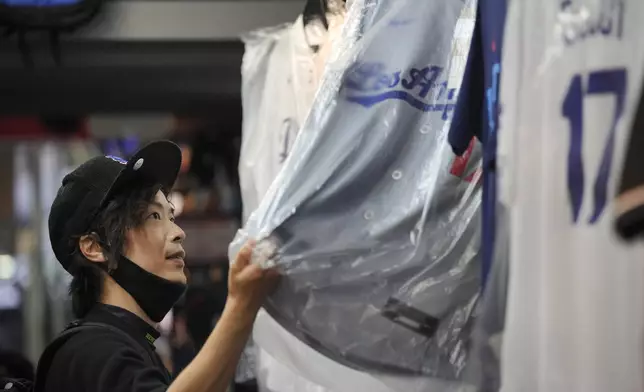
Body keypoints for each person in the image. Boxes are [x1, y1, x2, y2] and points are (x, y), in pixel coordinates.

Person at [43, 140, 279, 392]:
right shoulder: (90, 352)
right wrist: (241, 306)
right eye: (153, 216)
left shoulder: (130, 343)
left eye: (171, 216)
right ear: (93, 247)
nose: (178, 232)